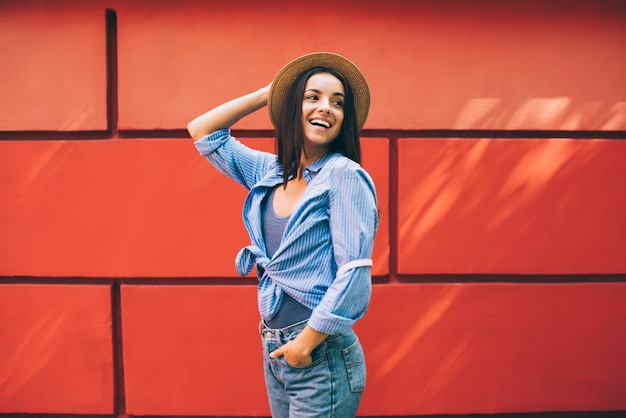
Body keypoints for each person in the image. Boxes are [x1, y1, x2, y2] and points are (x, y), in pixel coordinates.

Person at [187, 52, 378, 417]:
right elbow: (203, 131)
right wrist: (268, 94)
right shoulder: (271, 170)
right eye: (312, 97)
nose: (326, 108)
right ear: (294, 106)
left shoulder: (343, 176)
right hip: (276, 347)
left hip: (319, 354)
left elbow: (354, 274)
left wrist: (305, 344)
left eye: (338, 103)